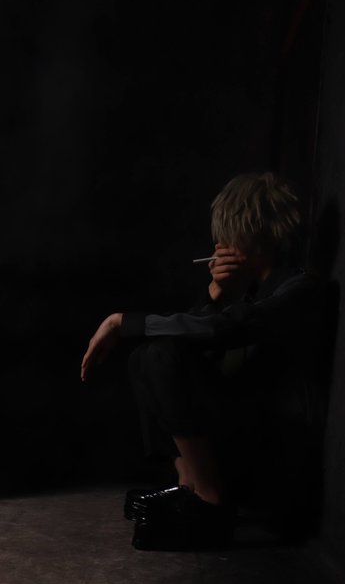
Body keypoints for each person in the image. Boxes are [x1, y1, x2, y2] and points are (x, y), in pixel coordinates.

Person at [81, 172, 324, 550]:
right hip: (244, 432)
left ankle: (212, 503)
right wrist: (215, 294)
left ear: (258, 233)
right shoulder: (249, 294)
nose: (220, 245)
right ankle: (190, 485)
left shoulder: (299, 289)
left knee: (159, 352)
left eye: (230, 234)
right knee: (148, 356)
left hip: (278, 449)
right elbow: (191, 343)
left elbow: (225, 329)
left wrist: (123, 323)